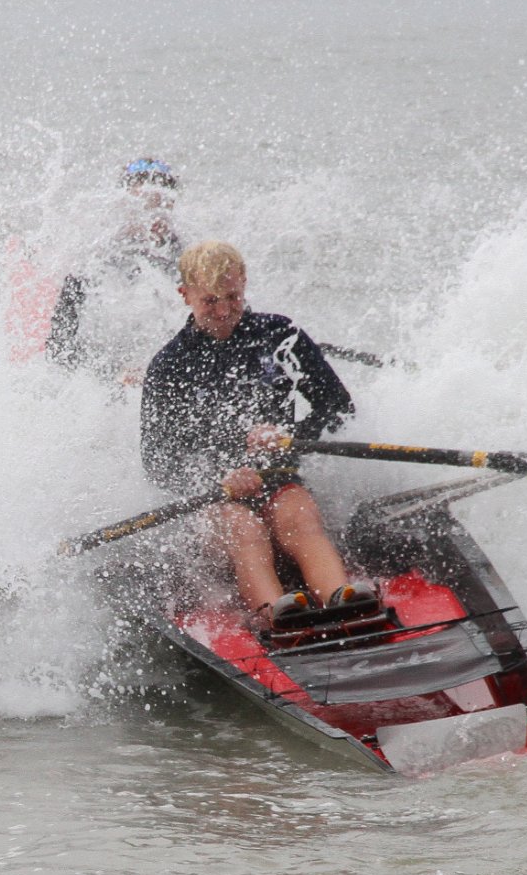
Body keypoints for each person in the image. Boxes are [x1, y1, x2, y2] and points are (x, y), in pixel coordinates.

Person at [140, 240, 364, 624]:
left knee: (300, 517)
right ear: (185, 295)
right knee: (245, 530)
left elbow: (338, 407)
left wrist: (288, 433)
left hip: (279, 480)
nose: (225, 311)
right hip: (215, 499)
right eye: (210, 301)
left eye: (233, 297)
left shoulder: (280, 335)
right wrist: (218, 480)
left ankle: (343, 602)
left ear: (244, 282)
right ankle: (278, 618)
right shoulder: (168, 366)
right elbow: (157, 462)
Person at [44, 157, 186, 381]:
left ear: (171, 207)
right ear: (123, 205)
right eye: (144, 207)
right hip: (102, 377)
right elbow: (59, 349)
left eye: (159, 206)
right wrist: (113, 374)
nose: (152, 219)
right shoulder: (91, 265)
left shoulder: (189, 264)